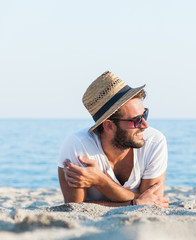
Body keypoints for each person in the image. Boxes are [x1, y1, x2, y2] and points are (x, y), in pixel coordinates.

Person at [57, 71, 169, 208]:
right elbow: (75, 208)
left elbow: (153, 203)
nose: (145, 125)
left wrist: (100, 181)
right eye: (136, 120)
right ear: (109, 126)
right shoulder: (78, 146)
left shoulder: (154, 142)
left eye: (144, 114)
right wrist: (135, 203)